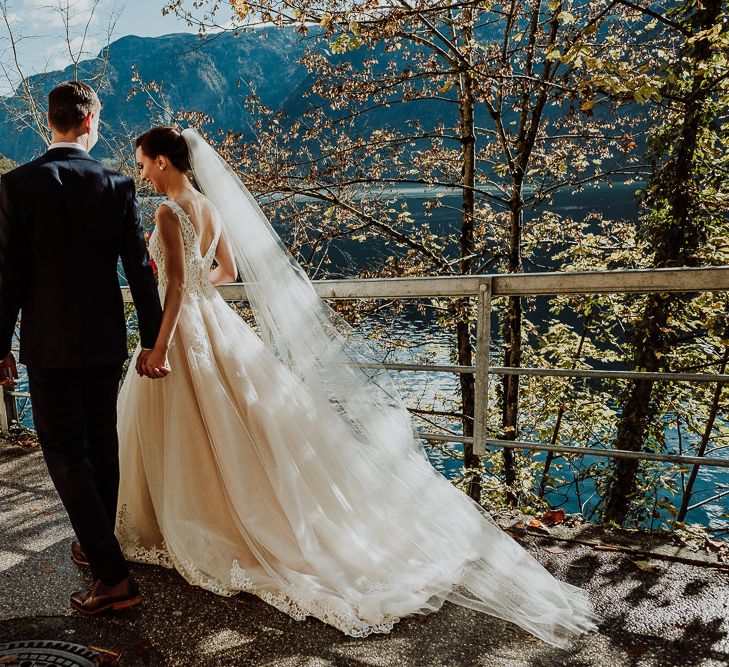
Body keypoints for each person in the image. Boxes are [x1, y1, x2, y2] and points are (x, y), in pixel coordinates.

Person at [116, 125, 600, 647]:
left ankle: (192, 518)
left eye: (142, 162)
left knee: (189, 425)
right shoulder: (208, 205)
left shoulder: (167, 211)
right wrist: (189, 291)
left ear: (164, 161)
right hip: (213, 324)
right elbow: (226, 272)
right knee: (234, 425)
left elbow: (183, 283)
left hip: (182, 327)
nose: (140, 171)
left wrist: (160, 342)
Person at [0, 81, 163, 615]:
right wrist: (153, 340)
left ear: (52, 121)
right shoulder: (117, 184)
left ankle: (113, 575)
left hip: (46, 344)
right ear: (91, 121)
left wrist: (0, 345)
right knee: (102, 447)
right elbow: (140, 273)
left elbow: (9, 279)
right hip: (104, 342)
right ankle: (98, 547)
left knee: (65, 456)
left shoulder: (18, 186)